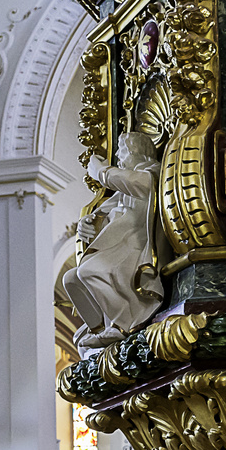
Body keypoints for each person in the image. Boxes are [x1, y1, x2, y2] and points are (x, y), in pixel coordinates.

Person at [63, 132, 163, 347]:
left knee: (91, 271)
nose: (118, 155)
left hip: (137, 246)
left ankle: (121, 325)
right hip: (120, 244)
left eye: (122, 150)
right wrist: (86, 223)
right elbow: (103, 211)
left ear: (137, 152)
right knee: (71, 279)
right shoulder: (124, 189)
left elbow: (136, 184)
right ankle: (98, 328)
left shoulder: (151, 173)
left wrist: (100, 171)